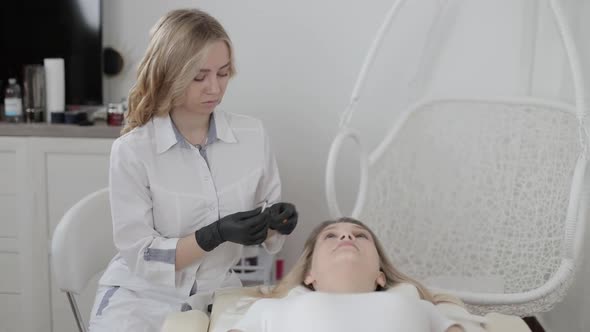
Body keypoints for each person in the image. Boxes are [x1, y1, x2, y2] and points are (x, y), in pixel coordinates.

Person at [88, 9, 298, 332]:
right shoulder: (133, 152)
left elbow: (268, 229)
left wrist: (275, 223)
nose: (214, 88)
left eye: (224, 73)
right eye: (199, 77)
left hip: (219, 293)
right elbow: (141, 256)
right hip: (141, 298)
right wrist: (211, 235)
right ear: (170, 75)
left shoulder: (253, 137)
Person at [229, 218, 465, 332]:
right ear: (309, 275)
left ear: (381, 275)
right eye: (330, 235)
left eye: (360, 235)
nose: (346, 237)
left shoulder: (420, 307)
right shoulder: (269, 310)